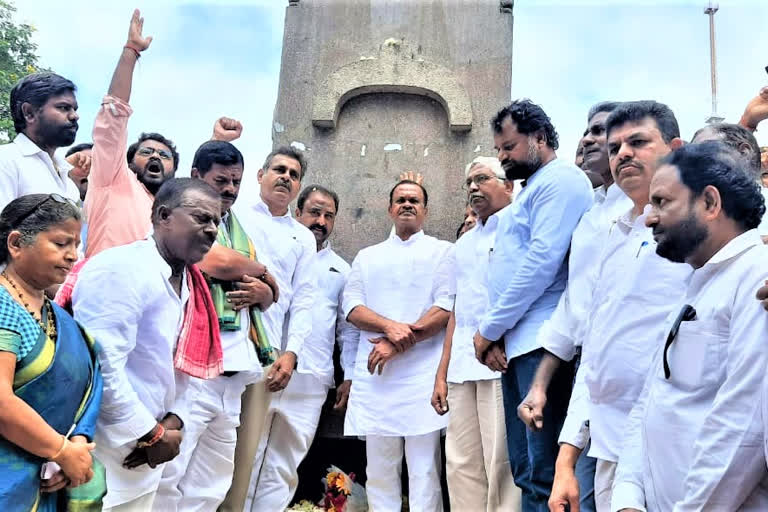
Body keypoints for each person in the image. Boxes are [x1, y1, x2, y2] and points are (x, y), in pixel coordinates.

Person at [56, 10, 275, 318]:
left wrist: (216, 141)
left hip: (162, 313)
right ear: (128, 161)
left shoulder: (171, 207)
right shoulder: (113, 180)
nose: (157, 157)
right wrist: (130, 52)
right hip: (107, 303)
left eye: (165, 155)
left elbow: (195, 191)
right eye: (147, 152)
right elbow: (113, 117)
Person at [544, 101, 689, 512]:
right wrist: (566, 458)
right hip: (609, 446)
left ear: (676, 150)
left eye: (638, 142)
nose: (622, 153)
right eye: (614, 147)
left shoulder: (704, 233)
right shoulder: (614, 235)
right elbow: (596, 350)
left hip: (677, 446)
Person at [611, 141, 768, 510]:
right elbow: (651, 400)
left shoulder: (756, 277)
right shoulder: (695, 284)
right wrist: (628, 497)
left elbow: (740, 429)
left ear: (710, 203)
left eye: (662, 203)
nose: (649, 219)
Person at [71, 178, 222, 511]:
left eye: (217, 221)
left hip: (150, 452)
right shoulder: (122, 268)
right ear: (164, 216)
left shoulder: (192, 286)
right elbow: (100, 364)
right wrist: (148, 433)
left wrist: (173, 424)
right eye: (201, 218)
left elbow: (189, 368)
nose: (212, 229)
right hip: (104, 452)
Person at [471, 100, 593, 511]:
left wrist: (488, 330)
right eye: (500, 149)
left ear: (540, 137)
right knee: (525, 471)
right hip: (518, 343)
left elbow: (542, 262)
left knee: (545, 474)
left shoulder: (561, 180)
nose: (503, 157)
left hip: (543, 345)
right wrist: (498, 335)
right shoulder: (531, 188)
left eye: (509, 147)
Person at [517, 101, 629, 512]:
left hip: (636, 378)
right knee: (575, 491)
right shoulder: (589, 215)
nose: (588, 139)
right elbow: (574, 308)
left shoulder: (653, 213)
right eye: (588, 131)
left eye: (602, 131)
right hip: (586, 373)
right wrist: (540, 384)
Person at [155, 142, 276, 510]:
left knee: (211, 485)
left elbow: (271, 295)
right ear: (196, 176)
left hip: (234, 375)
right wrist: (266, 274)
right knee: (168, 478)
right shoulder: (187, 229)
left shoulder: (240, 231)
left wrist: (265, 290)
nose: (230, 189)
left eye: (236, 182)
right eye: (220, 180)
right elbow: (218, 262)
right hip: (195, 376)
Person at [342, 179, 453, 512]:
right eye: (401, 199)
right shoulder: (367, 256)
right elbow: (352, 307)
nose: (408, 204)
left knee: (424, 471)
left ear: (425, 210)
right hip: (377, 379)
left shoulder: (443, 251)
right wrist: (390, 328)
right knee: (379, 472)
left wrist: (397, 343)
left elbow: (445, 309)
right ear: (390, 209)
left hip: (423, 378)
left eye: (415, 200)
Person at [247, 185, 359, 510]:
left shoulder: (342, 269)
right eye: (314, 212)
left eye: (328, 216)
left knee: (284, 467)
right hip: (264, 370)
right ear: (298, 212)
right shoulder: (273, 252)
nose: (321, 221)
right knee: (246, 456)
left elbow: (346, 332)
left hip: (311, 379)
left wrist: (348, 376)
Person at [222, 146, 316, 512]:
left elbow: (304, 301)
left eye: (294, 174)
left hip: (263, 351)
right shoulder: (234, 213)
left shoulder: (302, 237)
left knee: (244, 453)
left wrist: (289, 354)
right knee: (205, 447)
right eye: (279, 169)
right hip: (218, 342)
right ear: (259, 175)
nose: (286, 177)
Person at [0, 194, 103, 511]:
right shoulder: (4, 306)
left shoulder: (61, 320)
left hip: (51, 475)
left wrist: (75, 446)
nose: (72, 255)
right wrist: (59, 450)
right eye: (61, 243)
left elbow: (91, 383)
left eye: (75, 244)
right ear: (16, 243)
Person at [431, 157, 520, 511]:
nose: (473, 187)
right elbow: (457, 312)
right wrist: (442, 373)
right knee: (461, 462)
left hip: (502, 361)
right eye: (469, 181)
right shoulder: (463, 245)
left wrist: (498, 335)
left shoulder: (519, 228)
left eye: (482, 178)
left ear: (508, 185)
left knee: (502, 462)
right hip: (462, 368)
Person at [0, 73, 81, 210]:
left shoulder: (67, 180)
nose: (74, 116)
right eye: (63, 107)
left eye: (74, 109)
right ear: (29, 113)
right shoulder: (6, 161)